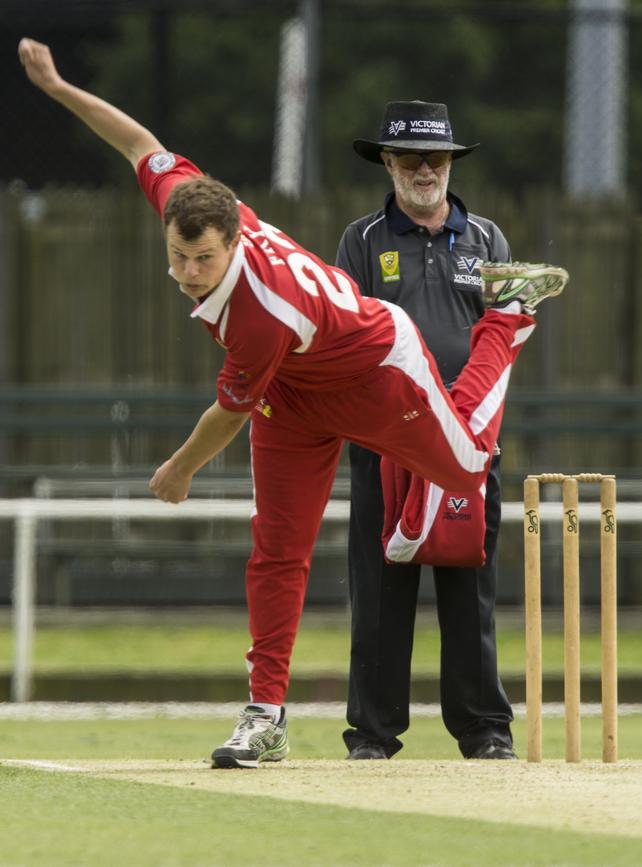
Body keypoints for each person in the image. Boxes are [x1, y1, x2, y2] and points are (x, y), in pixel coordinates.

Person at [19, 39, 567, 769]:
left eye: (203, 260)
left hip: (375, 371)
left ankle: (510, 314)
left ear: (236, 238)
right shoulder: (190, 203)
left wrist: (179, 470)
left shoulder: (258, 312)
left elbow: (227, 412)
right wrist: (57, 86)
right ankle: (265, 715)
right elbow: (137, 143)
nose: (187, 274)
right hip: (293, 398)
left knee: (467, 469)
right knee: (278, 549)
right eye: (177, 257)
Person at [336, 100, 521, 761]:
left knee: (469, 587)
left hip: (468, 442)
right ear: (387, 162)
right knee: (382, 590)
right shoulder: (362, 241)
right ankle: (373, 733)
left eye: (436, 158)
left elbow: (503, 337)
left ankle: (484, 729)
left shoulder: (487, 239)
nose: (424, 170)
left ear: (450, 162)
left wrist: (477, 427)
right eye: (410, 158)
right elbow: (348, 339)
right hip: (387, 439)